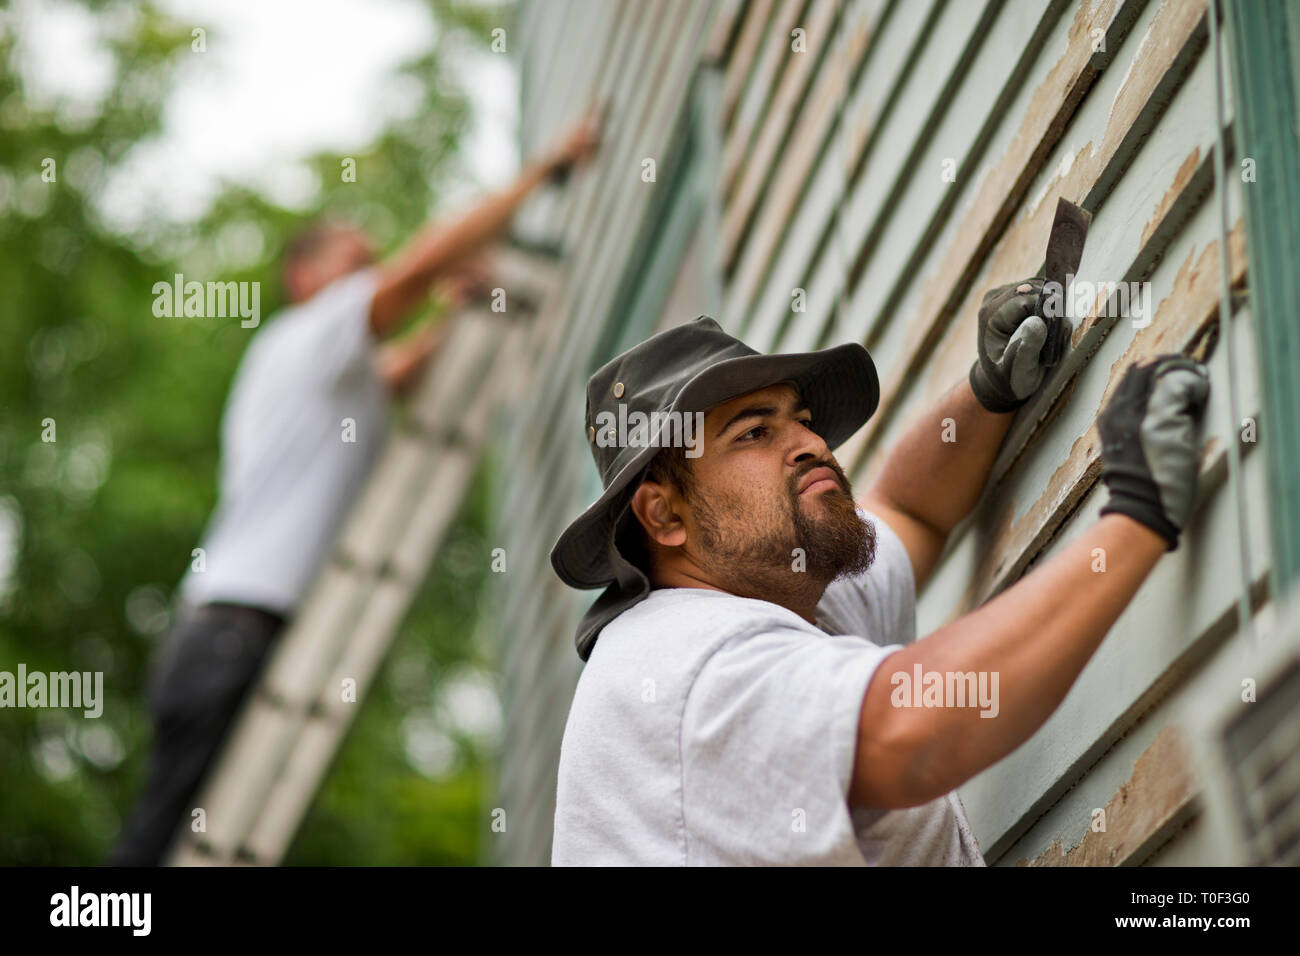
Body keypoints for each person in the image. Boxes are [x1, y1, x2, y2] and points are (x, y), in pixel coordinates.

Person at [548, 283, 1209, 865]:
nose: (809, 444)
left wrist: (990, 391)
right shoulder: (686, 670)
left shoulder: (783, 594)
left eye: (800, 421)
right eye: (753, 433)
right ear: (664, 514)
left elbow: (910, 510)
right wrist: (1136, 518)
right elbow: (914, 733)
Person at [108, 106, 603, 866]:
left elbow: (400, 366)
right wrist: (544, 171)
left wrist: (454, 312)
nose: (371, 275)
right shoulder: (307, 337)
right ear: (304, 277)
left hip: (228, 634)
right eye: (354, 261)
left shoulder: (326, 372)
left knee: (175, 840)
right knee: (155, 852)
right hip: (232, 633)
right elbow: (421, 266)